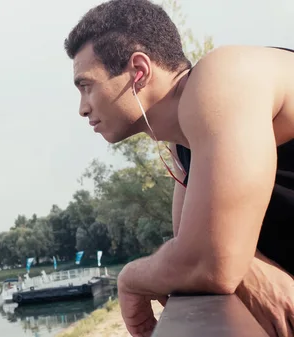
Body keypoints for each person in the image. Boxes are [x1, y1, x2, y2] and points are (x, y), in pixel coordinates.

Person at [63, 0, 294, 336]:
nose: (83, 109)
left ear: (138, 71)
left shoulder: (223, 77)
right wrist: (234, 259)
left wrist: (129, 279)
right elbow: (193, 249)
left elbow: (207, 263)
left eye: (87, 86)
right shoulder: (183, 145)